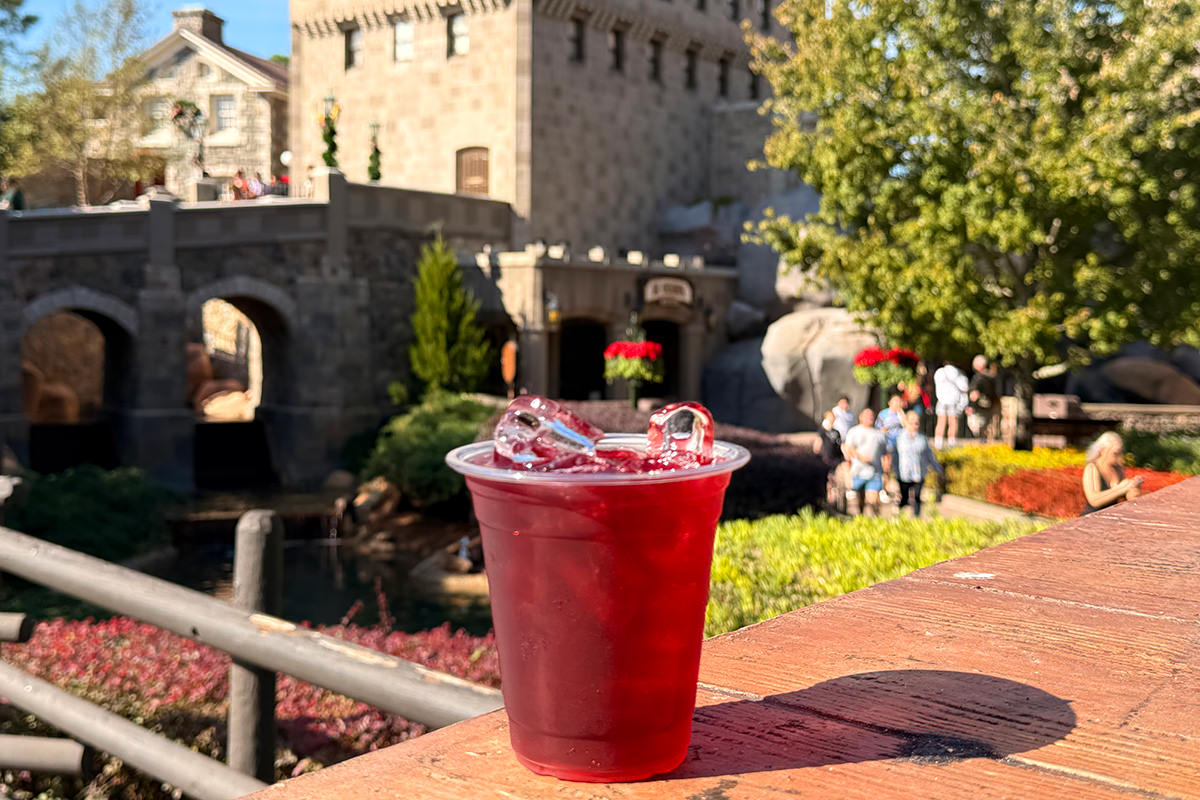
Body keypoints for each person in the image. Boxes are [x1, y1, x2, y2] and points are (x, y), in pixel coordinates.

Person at [893, 411, 944, 518]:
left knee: (917, 496)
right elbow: (894, 456)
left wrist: (938, 469)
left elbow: (929, 456)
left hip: (918, 472)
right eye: (911, 423)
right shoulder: (899, 438)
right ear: (906, 422)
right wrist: (894, 471)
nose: (914, 426)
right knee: (904, 497)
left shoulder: (922, 439)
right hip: (904, 473)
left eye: (916, 423)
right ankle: (898, 517)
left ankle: (916, 519)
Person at [843, 407, 891, 517]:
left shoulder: (879, 434)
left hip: (875, 471)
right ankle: (861, 518)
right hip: (858, 471)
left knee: (872, 500)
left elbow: (886, 453)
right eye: (867, 416)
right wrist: (860, 457)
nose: (870, 418)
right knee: (860, 500)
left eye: (871, 416)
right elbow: (849, 448)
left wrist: (886, 471)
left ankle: (876, 520)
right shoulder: (854, 431)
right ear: (861, 417)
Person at [1082, 431, 1143, 515]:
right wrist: (1121, 489)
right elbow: (1094, 500)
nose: (1120, 457)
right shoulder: (1092, 468)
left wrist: (1133, 487)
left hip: (1111, 516)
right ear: (1102, 450)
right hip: (1092, 517)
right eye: (1115, 453)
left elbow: (1128, 496)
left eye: (1120, 452)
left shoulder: (1118, 469)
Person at [813, 411, 846, 508]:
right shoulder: (822, 431)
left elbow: (839, 446)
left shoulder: (836, 432)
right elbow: (817, 444)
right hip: (825, 459)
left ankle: (837, 502)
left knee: (837, 481)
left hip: (836, 460)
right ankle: (828, 499)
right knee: (828, 480)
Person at [933, 360, 969, 449]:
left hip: (941, 400)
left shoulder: (939, 372)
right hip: (953, 400)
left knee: (941, 421)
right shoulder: (957, 373)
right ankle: (951, 442)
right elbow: (964, 387)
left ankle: (938, 442)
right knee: (952, 422)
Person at [967, 355, 1001, 442]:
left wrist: (970, 406)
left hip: (978, 406)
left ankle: (980, 440)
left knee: (975, 425)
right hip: (989, 404)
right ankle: (983, 441)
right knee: (985, 426)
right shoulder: (992, 376)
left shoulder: (978, 378)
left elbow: (974, 394)